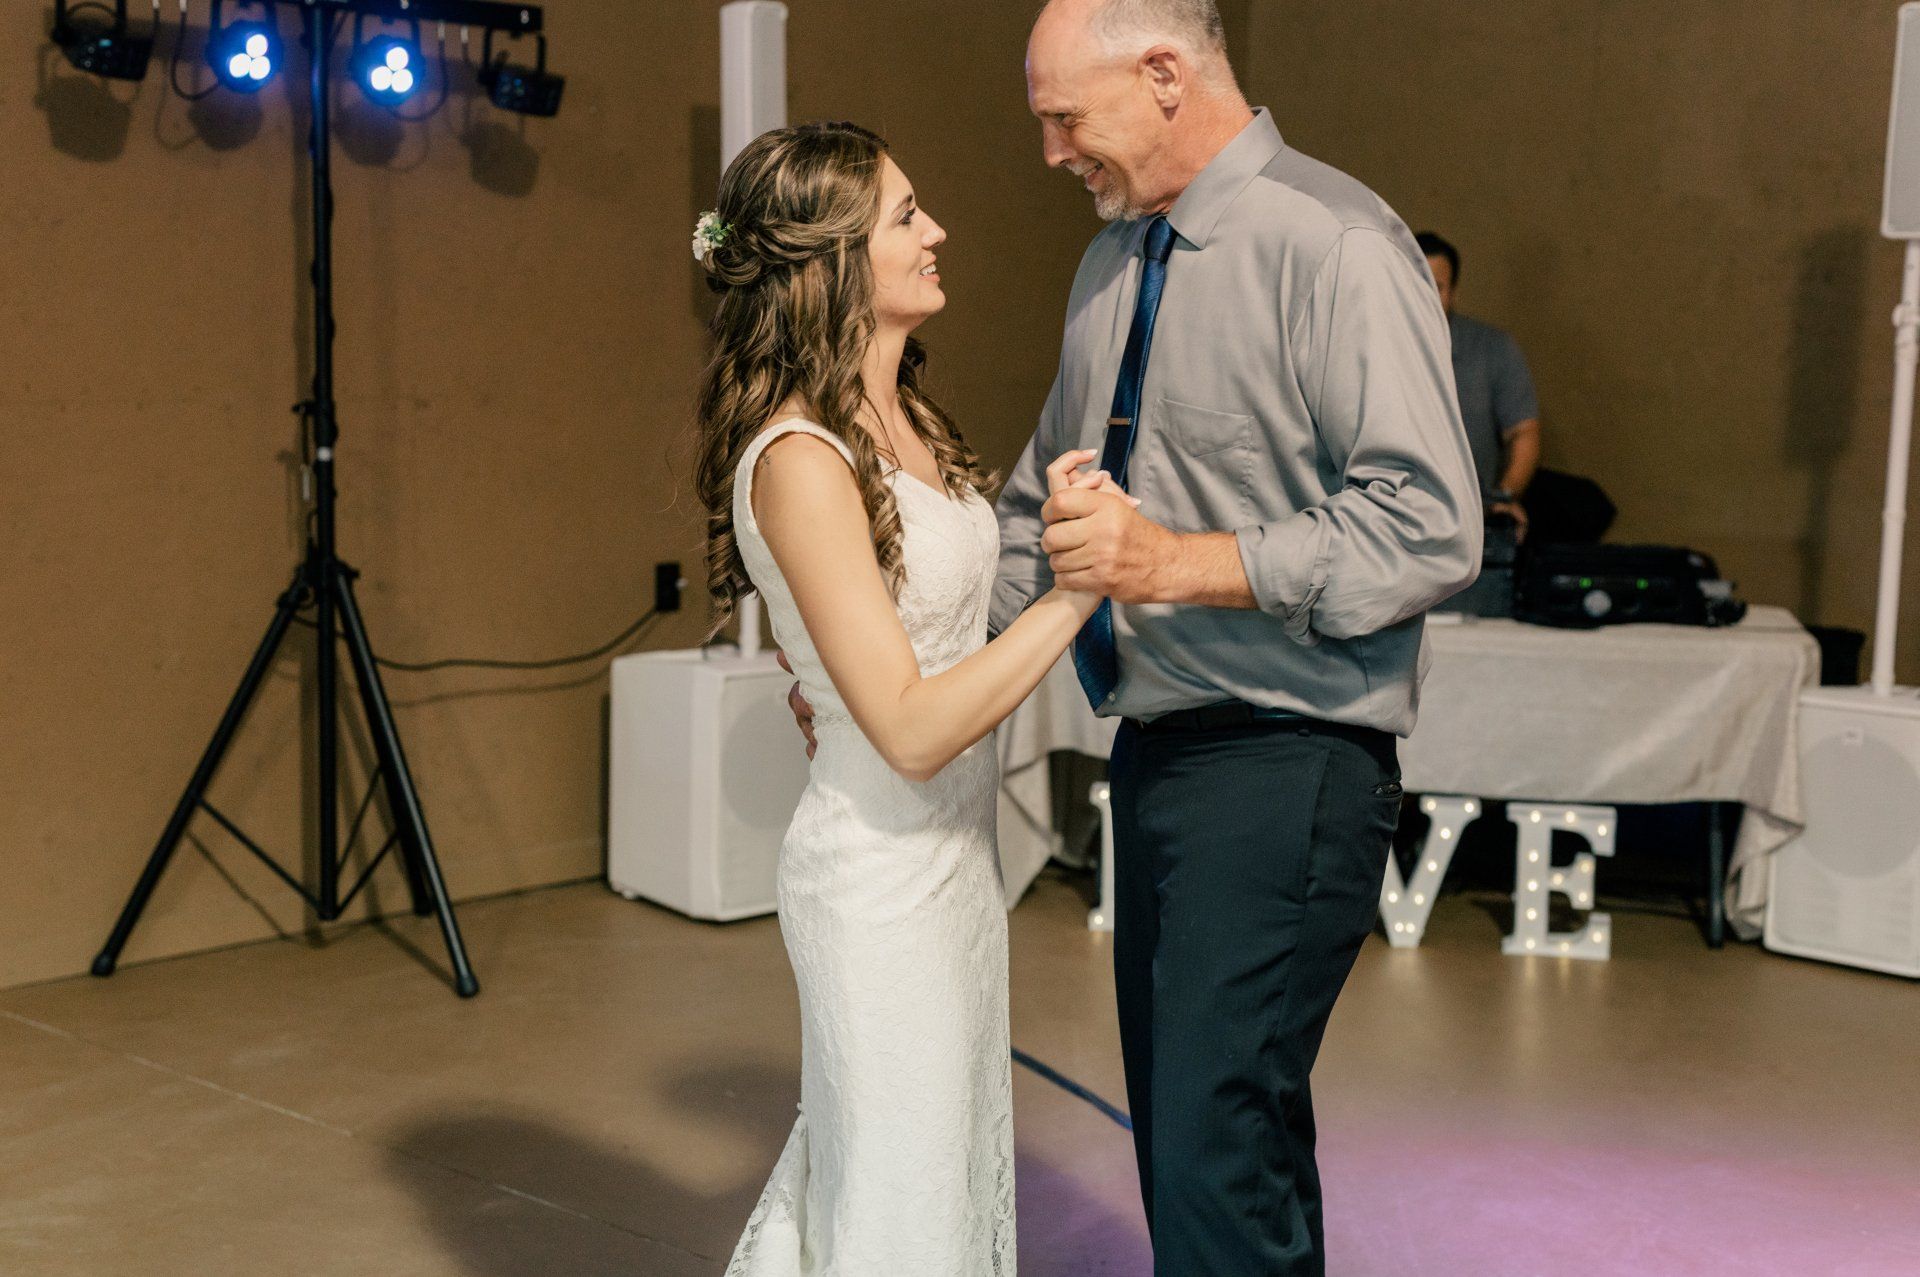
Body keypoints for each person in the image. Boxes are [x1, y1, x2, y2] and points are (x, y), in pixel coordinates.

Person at [793, 2, 1478, 1272]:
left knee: (1213, 1150)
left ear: (1165, 73)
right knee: (1207, 1145)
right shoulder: (1113, 264)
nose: (1052, 152)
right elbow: (1031, 520)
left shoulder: (1335, 243)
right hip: (1158, 758)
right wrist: (899, 678)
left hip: (1289, 758)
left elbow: (1430, 528)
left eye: (1065, 118)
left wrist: (1172, 562)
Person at [693, 121, 1135, 1275]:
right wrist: (1080, 594)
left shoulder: (911, 418)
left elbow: (929, 621)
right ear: (831, 260)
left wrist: (1053, 524)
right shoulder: (799, 458)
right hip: (878, 887)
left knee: (933, 1189)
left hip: (955, 874)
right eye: (904, 216)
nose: (936, 230)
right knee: (902, 1206)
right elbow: (905, 725)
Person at [1417, 230, 1544, 537]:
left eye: (1437, 287)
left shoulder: (1492, 348)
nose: (1425, 297)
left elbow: (1523, 432)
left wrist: (1504, 498)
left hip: (1470, 522)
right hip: (1384, 520)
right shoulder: (1368, 349)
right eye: (1416, 285)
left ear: (1453, 293)